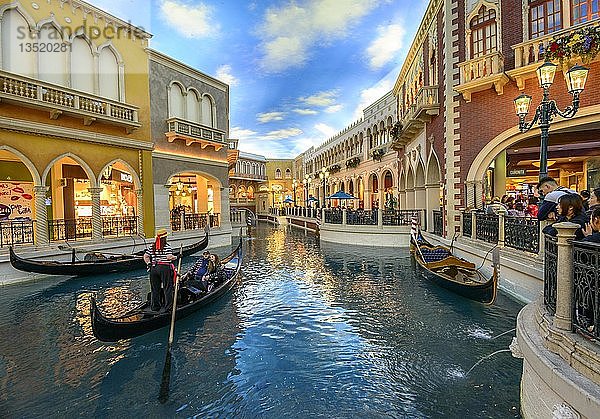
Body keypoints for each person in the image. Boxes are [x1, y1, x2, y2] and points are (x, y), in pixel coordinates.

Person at [143, 229, 177, 312]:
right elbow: (169, 257)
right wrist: (177, 257)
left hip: (153, 268)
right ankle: (168, 307)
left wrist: (149, 263)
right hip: (164, 268)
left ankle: (155, 307)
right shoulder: (166, 246)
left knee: (155, 289)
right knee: (167, 287)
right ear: (165, 237)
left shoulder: (152, 246)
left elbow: (145, 256)